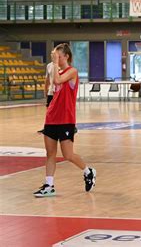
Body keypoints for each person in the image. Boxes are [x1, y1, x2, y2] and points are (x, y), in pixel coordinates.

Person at [34, 43, 96, 197]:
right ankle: (49, 185)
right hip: (51, 117)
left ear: (66, 56)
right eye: (54, 56)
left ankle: (89, 172)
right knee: (50, 154)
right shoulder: (54, 69)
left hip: (66, 119)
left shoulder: (72, 71)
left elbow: (57, 80)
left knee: (68, 155)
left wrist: (54, 64)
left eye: (58, 56)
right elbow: (50, 84)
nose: (55, 58)